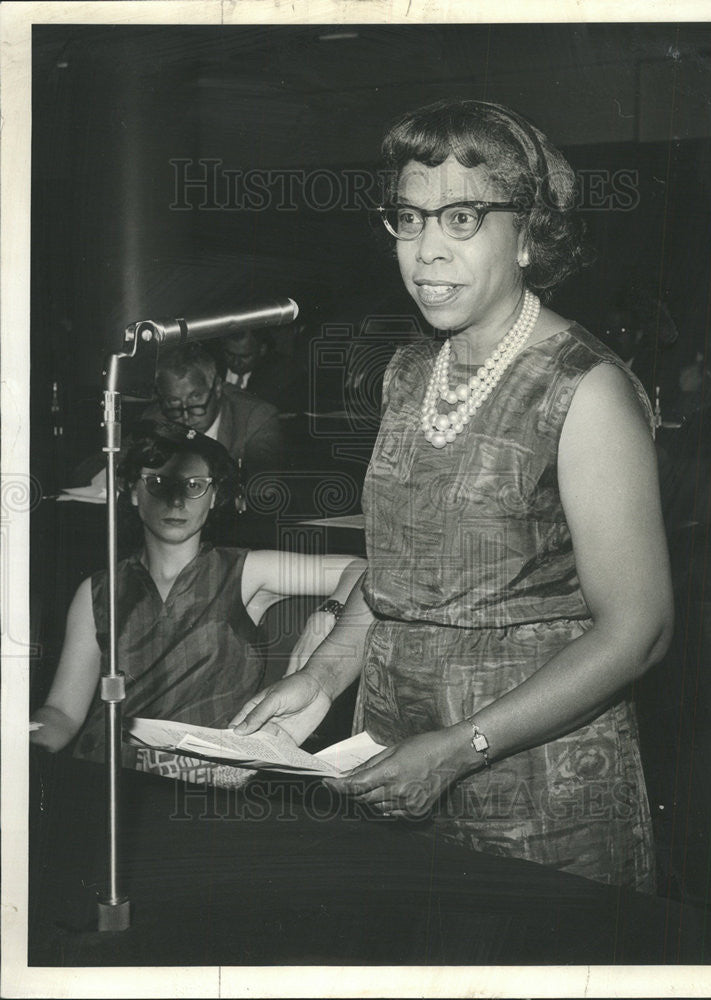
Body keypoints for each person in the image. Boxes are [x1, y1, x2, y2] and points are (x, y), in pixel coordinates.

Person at [231, 99, 673, 891]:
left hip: (543, 800)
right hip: (395, 767)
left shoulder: (584, 390)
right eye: (409, 219)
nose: (427, 251)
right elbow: (398, 569)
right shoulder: (411, 372)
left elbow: (639, 632)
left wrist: (460, 746)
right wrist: (323, 677)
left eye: (461, 218)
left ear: (531, 233)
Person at [30, 420, 366, 783]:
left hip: (206, 782)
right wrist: (24, 746)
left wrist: (326, 616)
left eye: (194, 486)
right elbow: (63, 712)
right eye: (158, 483)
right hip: (108, 775)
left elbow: (360, 569)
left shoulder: (244, 571)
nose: (176, 501)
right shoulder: (97, 591)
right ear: (131, 493)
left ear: (214, 497)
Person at [144, 342, 282, 475]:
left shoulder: (256, 419)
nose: (186, 417)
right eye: (173, 401)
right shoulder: (153, 420)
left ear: (217, 388)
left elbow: (261, 491)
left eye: (196, 397)